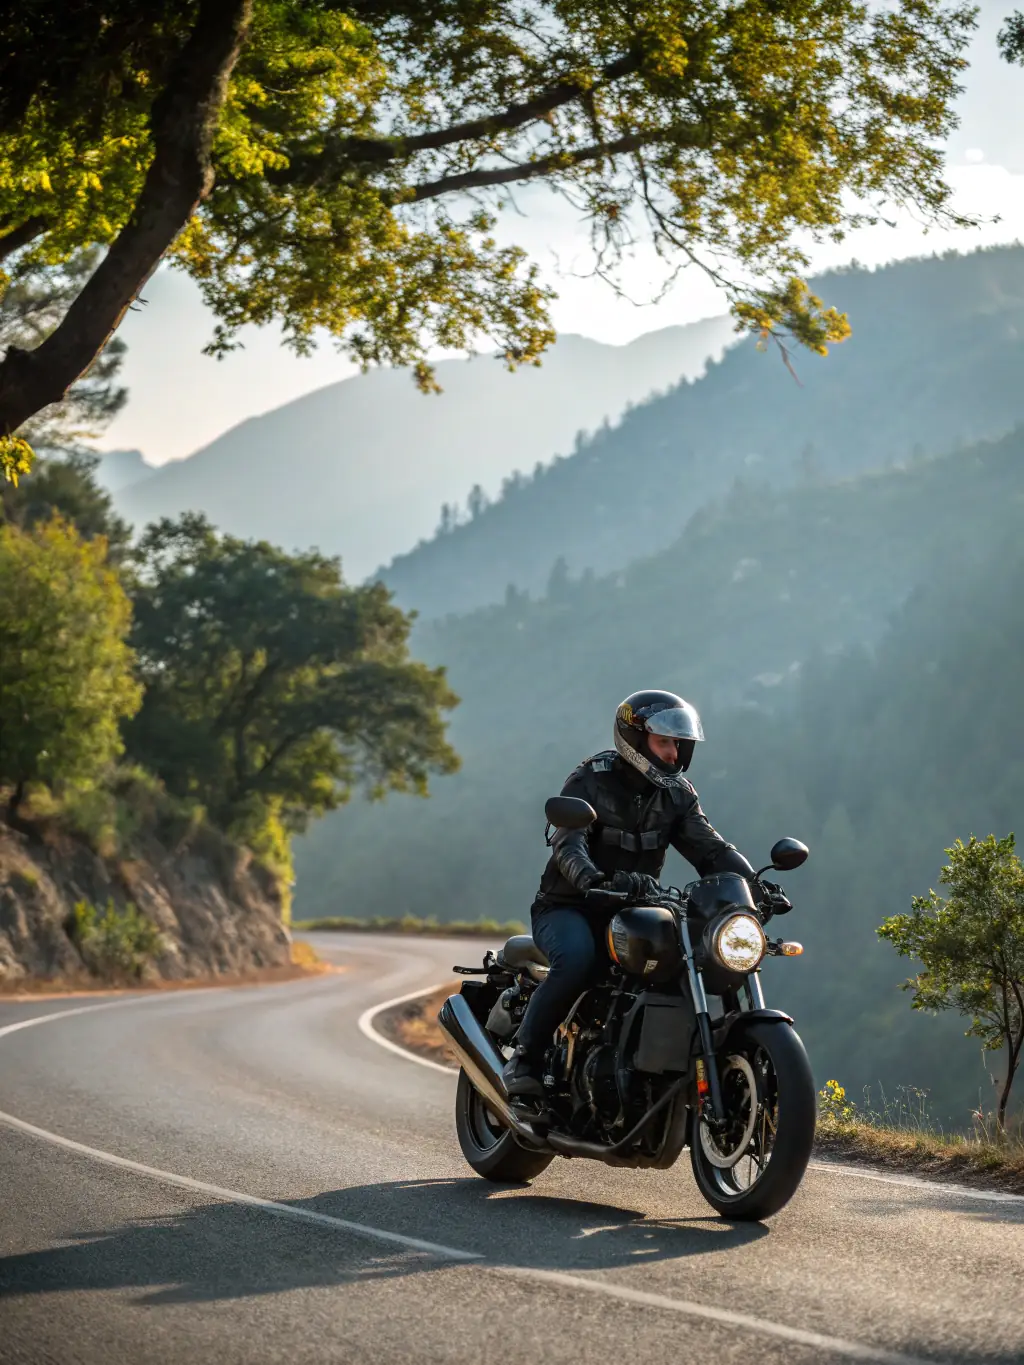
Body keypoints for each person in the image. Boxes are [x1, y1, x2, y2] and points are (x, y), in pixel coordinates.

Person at [503, 689, 755, 1099]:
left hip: (640, 910)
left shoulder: (678, 795)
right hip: (571, 906)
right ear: (636, 741)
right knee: (578, 962)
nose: (674, 754)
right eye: (664, 743)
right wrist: (590, 879)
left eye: (678, 744)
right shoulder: (591, 779)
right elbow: (569, 843)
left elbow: (710, 849)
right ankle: (525, 1059)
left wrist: (753, 884)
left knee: (689, 963)